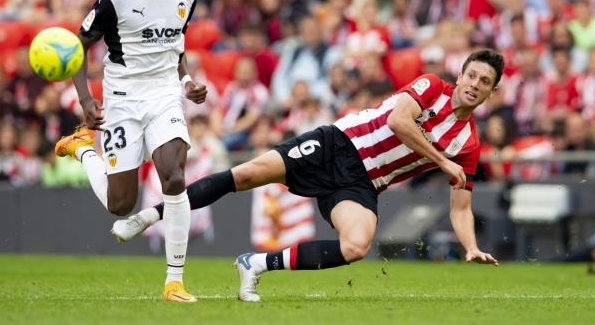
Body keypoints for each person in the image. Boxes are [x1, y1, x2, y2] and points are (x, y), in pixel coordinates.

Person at [114, 49, 503, 301]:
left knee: (356, 246)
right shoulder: (431, 86)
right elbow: (401, 122)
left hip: (362, 183)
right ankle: (148, 216)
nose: (475, 85)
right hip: (338, 144)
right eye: (472, 76)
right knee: (248, 175)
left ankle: (256, 265)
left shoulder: (467, 144)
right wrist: (441, 160)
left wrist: (469, 245)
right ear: (461, 75)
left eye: (484, 82)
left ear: (492, 92)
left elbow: (461, 206)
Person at [53, 0, 207, 303]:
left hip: (164, 97)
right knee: (119, 205)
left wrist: (187, 83)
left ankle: (174, 282)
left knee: (173, 176)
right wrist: (86, 100)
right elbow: (78, 45)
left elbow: (175, 49)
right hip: (122, 99)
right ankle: (83, 148)